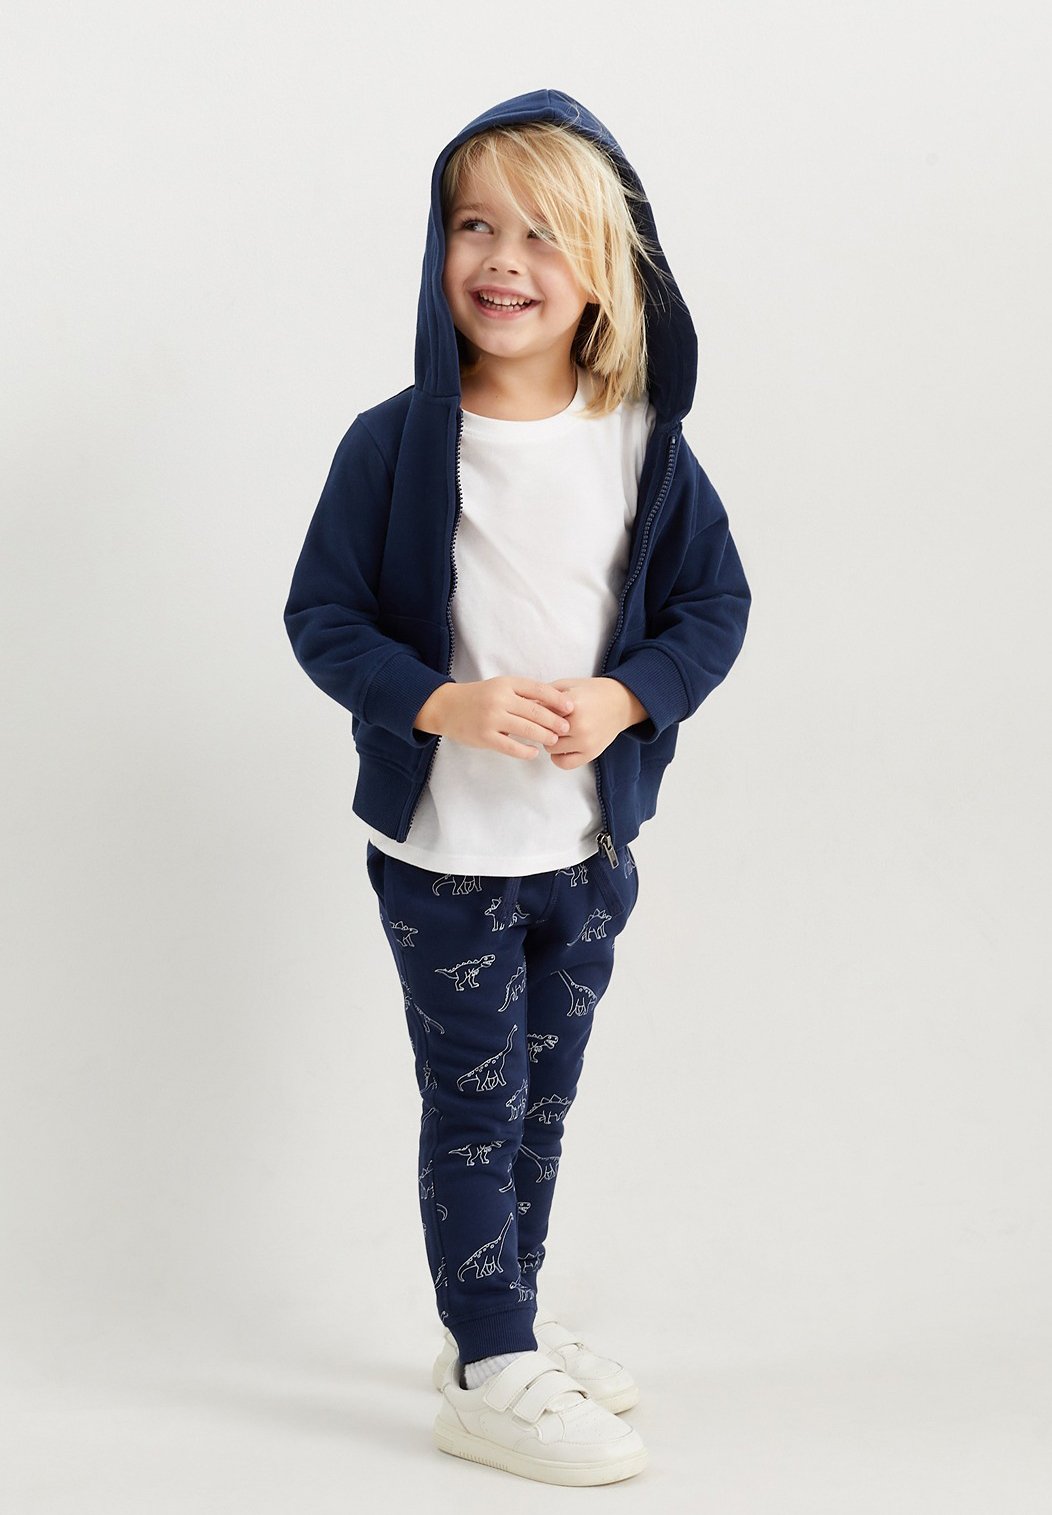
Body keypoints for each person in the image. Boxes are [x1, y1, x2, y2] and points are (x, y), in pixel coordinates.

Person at [283, 87, 751, 1487]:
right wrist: (441, 703)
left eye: (545, 235)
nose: (503, 260)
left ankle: (502, 1331)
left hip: (587, 851)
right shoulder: (393, 444)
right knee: (475, 1106)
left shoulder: (643, 444)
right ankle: (490, 1367)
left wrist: (627, 697)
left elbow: (714, 607)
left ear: (608, 267)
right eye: (475, 226)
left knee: (544, 1099)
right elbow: (323, 619)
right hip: (446, 854)